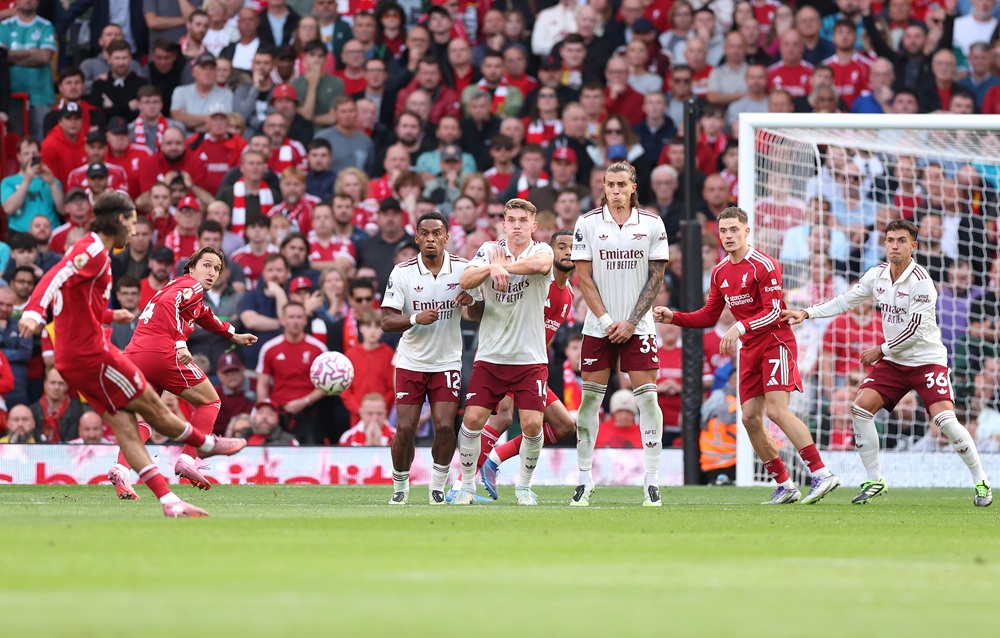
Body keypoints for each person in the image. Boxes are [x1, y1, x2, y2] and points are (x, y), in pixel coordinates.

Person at [18, 191, 246, 517]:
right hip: (99, 354)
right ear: (121, 219)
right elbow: (55, 275)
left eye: (216, 268)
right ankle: (199, 448)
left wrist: (112, 316)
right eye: (135, 221)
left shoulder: (105, 259)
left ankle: (149, 488)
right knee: (169, 407)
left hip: (102, 355)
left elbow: (76, 303)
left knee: (131, 425)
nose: (137, 230)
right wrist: (34, 312)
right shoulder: (98, 251)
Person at [785, 219, 993, 507]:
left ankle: (981, 480)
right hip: (895, 362)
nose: (895, 246)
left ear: (913, 246)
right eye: (890, 240)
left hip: (926, 360)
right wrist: (806, 313)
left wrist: (880, 350)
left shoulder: (922, 282)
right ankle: (875, 479)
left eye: (901, 241)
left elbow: (916, 331)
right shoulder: (877, 275)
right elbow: (845, 301)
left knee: (945, 420)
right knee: (860, 409)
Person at [654, 206, 840, 505]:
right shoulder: (719, 272)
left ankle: (821, 473)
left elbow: (775, 311)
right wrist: (673, 317)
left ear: (746, 231)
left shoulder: (764, 265)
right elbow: (708, 315)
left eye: (733, 230)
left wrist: (739, 327)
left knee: (777, 412)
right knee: (750, 418)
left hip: (776, 342)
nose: (728, 236)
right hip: (750, 348)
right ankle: (785, 484)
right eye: (723, 231)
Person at [115, 246, 258, 492]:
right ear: (191, 267)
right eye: (207, 265)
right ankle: (188, 459)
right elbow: (171, 304)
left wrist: (235, 335)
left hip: (134, 354)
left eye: (217, 268)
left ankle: (121, 471)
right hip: (161, 351)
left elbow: (207, 317)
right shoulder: (190, 286)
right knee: (210, 401)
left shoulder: (181, 289)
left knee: (144, 418)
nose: (212, 272)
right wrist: (180, 344)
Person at [568, 160, 669, 507]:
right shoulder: (588, 224)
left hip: (638, 326)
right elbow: (584, 278)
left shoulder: (653, 224)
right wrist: (610, 319)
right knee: (590, 400)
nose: (615, 191)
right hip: (599, 326)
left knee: (648, 400)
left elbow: (656, 278)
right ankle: (584, 479)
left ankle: (652, 482)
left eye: (621, 184)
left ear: (633, 187)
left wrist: (630, 320)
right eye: (610, 184)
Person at [452, 198, 554, 506]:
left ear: (533, 226)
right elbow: (465, 280)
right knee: (471, 420)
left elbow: (541, 267)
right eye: (511, 220)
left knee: (533, 424)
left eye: (524, 220)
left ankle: (523, 487)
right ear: (504, 224)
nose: (517, 225)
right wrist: (490, 265)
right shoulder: (488, 249)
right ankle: (467, 486)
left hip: (530, 357)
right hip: (491, 356)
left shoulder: (542, 250)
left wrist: (500, 266)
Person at [380, 211, 480, 505]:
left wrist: (471, 301)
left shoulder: (464, 269)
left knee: (446, 426)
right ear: (417, 238)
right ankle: (400, 486)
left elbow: (479, 314)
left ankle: (437, 485)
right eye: (425, 234)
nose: (431, 239)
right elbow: (386, 321)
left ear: (447, 238)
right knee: (406, 428)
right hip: (411, 361)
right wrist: (413, 319)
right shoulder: (402, 272)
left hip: (447, 361)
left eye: (437, 233)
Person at [474, 230, 578, 499]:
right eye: (561, 247)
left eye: (573, 248)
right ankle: (463, 482)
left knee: (565, 425)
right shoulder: (538, 282)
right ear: (549, 251)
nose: (567, 252)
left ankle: (493, 460)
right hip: (511, 357)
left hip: (532, 365)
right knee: (503, 415)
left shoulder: (568, 295)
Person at [256, 302, 329, 444]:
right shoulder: (270, 348)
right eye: (291, 317)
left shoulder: (318, 348)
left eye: (299, 317)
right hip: (280, 413)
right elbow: (262, 384)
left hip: (310, 411)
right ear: (282, 320)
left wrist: (305, 401)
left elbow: (326, 385)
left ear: (305, 320)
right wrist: (266, 411)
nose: (295, 321)